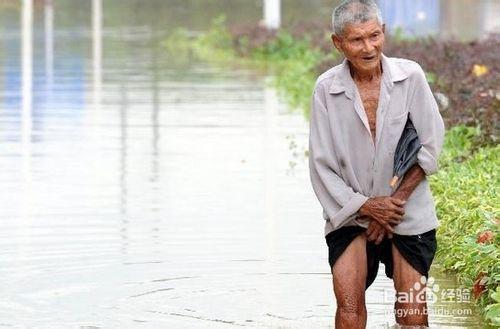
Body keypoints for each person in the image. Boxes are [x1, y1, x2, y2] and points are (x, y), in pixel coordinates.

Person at [308, 0, 445, 328]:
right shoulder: (326, 89)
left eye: (374, 36)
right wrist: (368, 207)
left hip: (407, 211)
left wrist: (391, 207)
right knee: (349, 310)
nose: (368, 47)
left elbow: (429, 146)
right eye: (357, 40)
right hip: (351, 212)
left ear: (383, 32)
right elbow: (322, 165)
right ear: (338, 43)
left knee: (413, 314)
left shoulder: (410, 76)